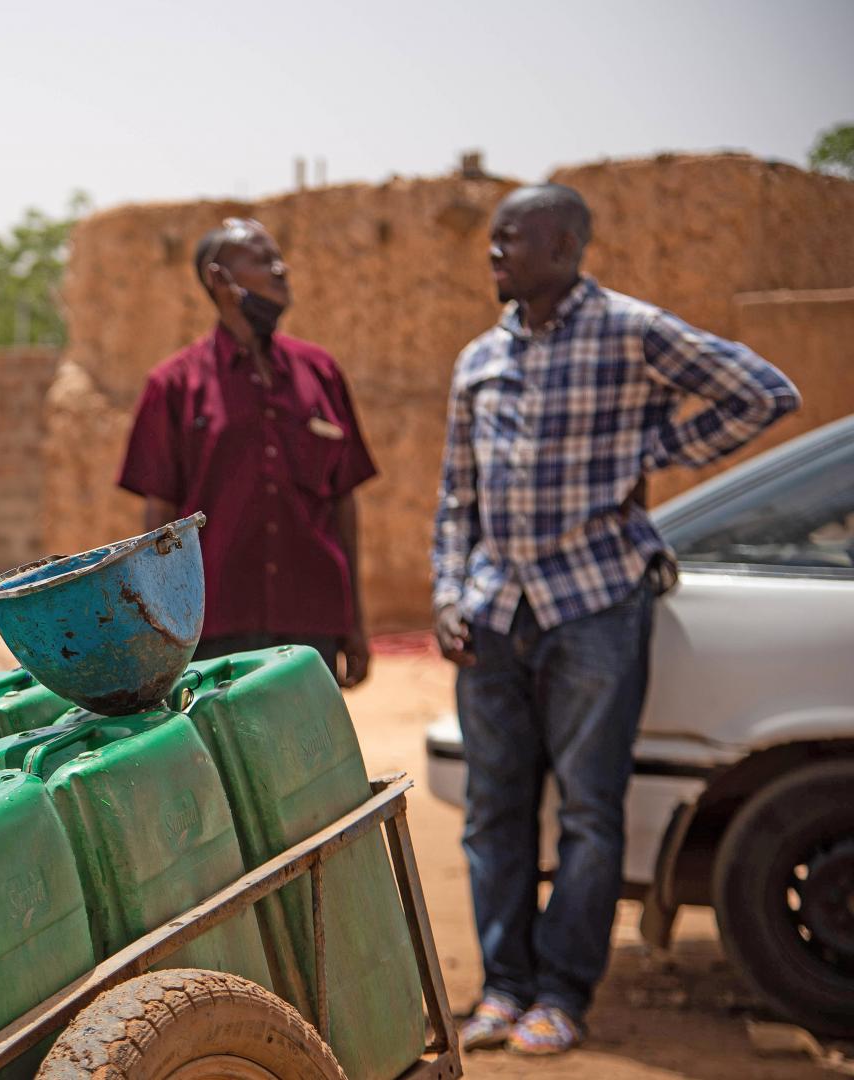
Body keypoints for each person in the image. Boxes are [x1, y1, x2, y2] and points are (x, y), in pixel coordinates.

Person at [435, 184, 798, 1056]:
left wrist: (653, 450)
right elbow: (456, 497)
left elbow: (765, 393)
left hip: (595, 606)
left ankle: (562, 992)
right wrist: (449, 593)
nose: (493, 255)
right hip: (491, 613)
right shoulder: (479, 359)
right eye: (491, 242)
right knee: (494, 813)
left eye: (508, 240)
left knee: (590, 813)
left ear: (562, 245)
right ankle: (502, 987)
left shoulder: (632, 331)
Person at [118, 218, 378, 685]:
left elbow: (343, 502)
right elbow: (160, 517)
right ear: (220, 279)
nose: (282, 269)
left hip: (311, 622)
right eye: (261, 259)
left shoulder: (321, 372)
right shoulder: (173, 385)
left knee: (310, 757)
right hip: (214, 627)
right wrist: (163, 627)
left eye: (277, 258)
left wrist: (354, 621)